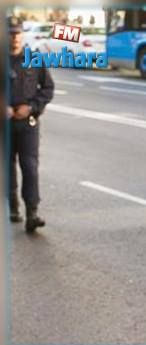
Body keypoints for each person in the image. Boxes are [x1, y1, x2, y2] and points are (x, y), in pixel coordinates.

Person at [7, 17, 54, 233]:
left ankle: (32, 213)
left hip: (28, 122)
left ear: (22, 35)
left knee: (30, 167)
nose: (14, 37)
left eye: (17, 33)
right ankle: (12, 207)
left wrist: (32, 107)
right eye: (10, 33)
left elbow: (47, 88)